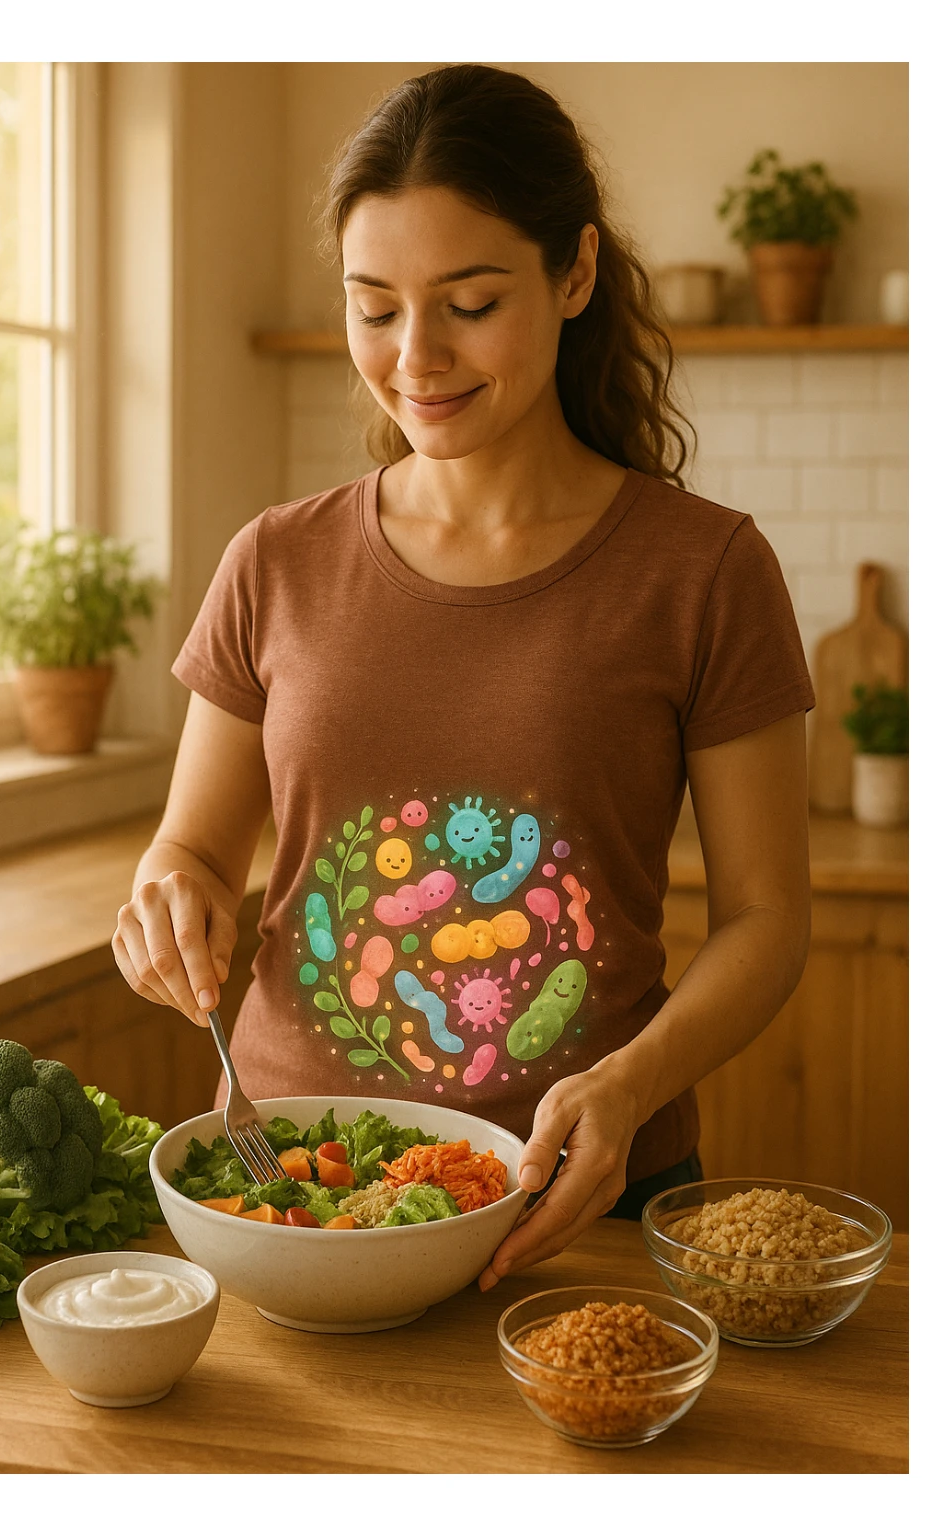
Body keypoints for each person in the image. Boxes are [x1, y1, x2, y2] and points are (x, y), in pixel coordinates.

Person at [112, 64, 814, 1294]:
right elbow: (193, 854)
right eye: (373, 308)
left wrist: (630, 1082)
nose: (415, 356)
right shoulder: (275, 559)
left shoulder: (705, 571)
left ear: (575, 274)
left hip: (573, 1200)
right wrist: (167, 904)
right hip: (285, 1189)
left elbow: (768, 920)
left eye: (469, 302)